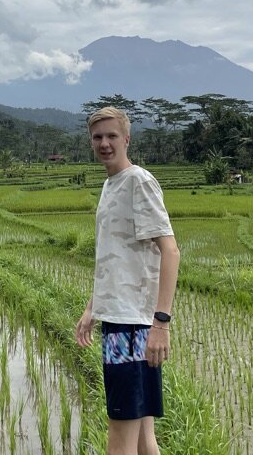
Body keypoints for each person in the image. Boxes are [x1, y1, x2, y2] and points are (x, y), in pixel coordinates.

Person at [74, 107, 180, 455]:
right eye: (97, 137)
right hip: (123, 318)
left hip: (132, 328)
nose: (104, 143)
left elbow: (171, 251)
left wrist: (160, 323)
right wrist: (94, 307)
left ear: (127, 139)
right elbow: (113, 256)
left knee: (120, 439)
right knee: (142, 436)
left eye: (111, 136)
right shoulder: (111, 183)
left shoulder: (138, 181)